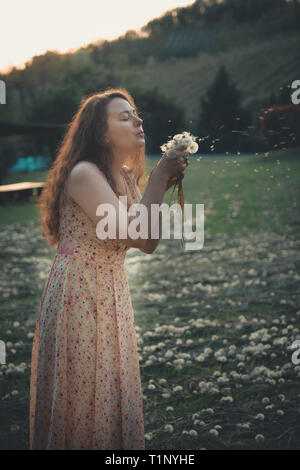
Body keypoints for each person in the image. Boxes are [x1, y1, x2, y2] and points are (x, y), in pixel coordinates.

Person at [29, 87, 189, 450]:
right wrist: (161, 175)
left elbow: (147, 244)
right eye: (125, 116)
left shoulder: (126, 177)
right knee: (86, 395)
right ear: (102, 133)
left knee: (111, 392)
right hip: (79, 296)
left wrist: (161, 183)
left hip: (111, 291)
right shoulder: (84, 173)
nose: (138, 120)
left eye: (136, 113)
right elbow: (129, 230)